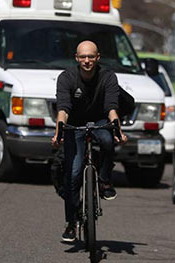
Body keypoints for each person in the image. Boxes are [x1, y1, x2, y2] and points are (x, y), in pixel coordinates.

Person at [51, 40, 127, 242]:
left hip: (100, 120)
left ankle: (103, 180)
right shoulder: (66, 78)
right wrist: (59, 131)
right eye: (82, 57)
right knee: (73, 174)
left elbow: (112, 108)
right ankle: (71, 223)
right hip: (74, 124)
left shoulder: (108, 77)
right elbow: (63, 109)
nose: (87, 61)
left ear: (97, 57)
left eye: (91, 56)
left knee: (107, 141)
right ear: (77, 58)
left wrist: (117, 130)